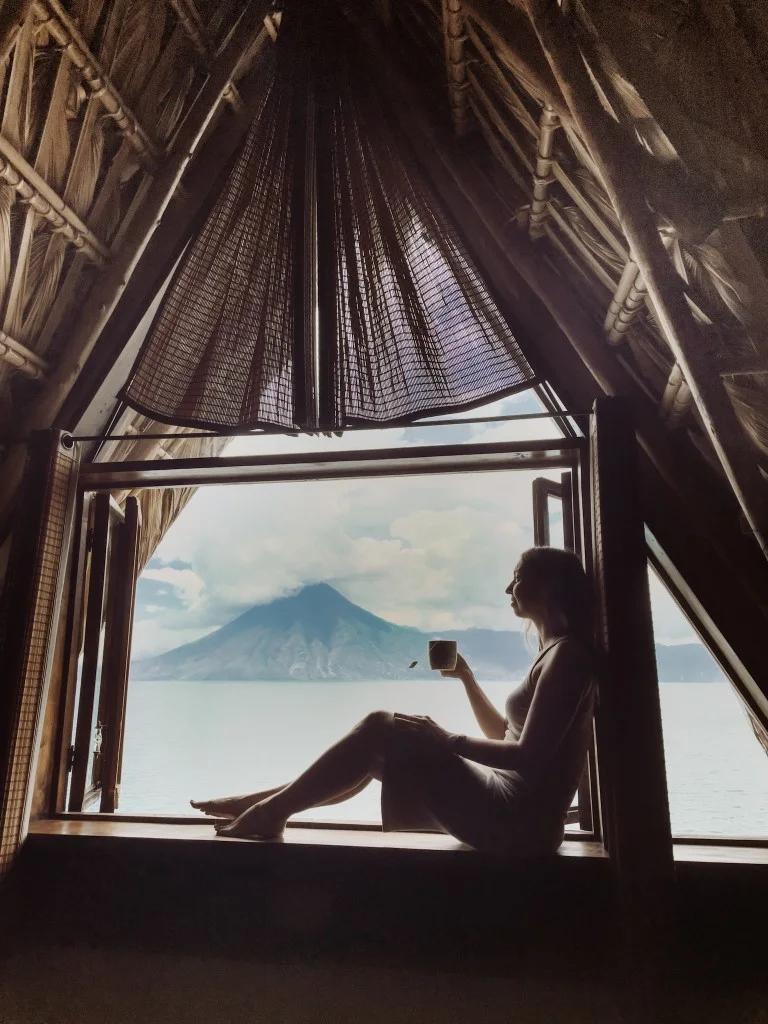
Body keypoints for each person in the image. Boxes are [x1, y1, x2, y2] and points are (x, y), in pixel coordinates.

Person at [191, 546, 596, 855]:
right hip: (513, 808)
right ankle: (265, 805)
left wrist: (446, 739)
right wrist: (467, 679)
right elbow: (507, 736)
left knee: (382, 727)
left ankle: (268, 809)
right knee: (377, 747)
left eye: (517, 577)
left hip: (520, 824)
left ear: (546, 587)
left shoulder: (567, 657)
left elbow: (530, 756)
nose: (509, 588)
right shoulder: (553, 651)